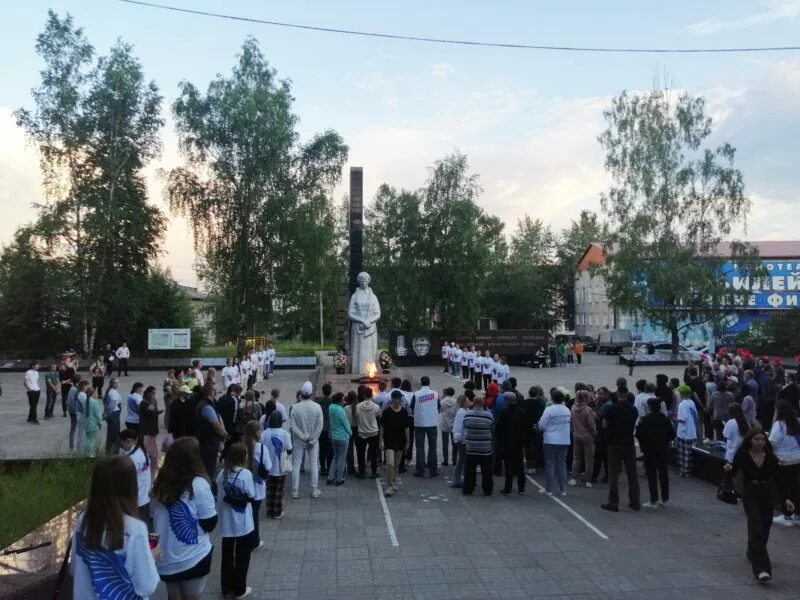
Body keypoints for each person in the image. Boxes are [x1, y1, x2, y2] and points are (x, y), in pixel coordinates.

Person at [70, 456, 159, 600]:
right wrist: (151, 557)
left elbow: (75, 568)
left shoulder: (83, 521)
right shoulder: (135, 530)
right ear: (130, 487)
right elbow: (146, 586)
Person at [724, 428, 795, 583]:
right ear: (750, 440)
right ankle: (761, 569)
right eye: (757, 439)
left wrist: (786, 499)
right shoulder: (742, 455)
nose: (760, 442)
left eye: (762, 439)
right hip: (750, 493)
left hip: (766, 493)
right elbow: (733, 471)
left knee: (765, 527)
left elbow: (779, 479)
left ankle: (752, 551)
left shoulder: (770, 457)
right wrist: (728, 469)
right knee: (756, 527)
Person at [151, 437, 217, 599]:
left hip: (166, 558)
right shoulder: (199, 485)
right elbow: (209, 523)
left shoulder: (158, 485)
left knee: (173, 596)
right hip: (193, 556)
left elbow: (153, 519)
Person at [216, 442, 255, 599]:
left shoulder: (221, 475)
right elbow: (251, 495)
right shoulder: (245, 475)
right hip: (243, 522)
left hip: (226, 521)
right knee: (242, 556)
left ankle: (226, 587)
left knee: (226, 555)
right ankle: (240, 588)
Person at [601, 383, 641, 512]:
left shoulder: (611, 409)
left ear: (618, 395)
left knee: (613, 474)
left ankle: (613, 502)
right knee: (632, 474)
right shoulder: (633, 409)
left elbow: (605, 424)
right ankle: (635, 501)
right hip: (629, 443)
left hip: (614, 443)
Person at [636, 397, 675, 508]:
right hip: (662, 450)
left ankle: (654, 499)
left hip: (649, 451)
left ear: (649, 407)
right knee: (663, 474)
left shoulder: (645, 420)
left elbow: (639, 434)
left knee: (651, 475)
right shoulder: (665, 419)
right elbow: (672, 435)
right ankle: (665, 498)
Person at [289, 381, 324, 499]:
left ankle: (295, 490)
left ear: (301, 394)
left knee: (296, 465)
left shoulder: (295, 408)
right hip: (313, 440)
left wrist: (303, 436)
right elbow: (320, 425)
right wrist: (313, 438)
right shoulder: (317, 407)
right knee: (314, 464)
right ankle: (314, 489)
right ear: (311, 393)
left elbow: (293, 426)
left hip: (299, 440)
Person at [768, 400, 800, 526]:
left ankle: (786, 515)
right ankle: (797, 514)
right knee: (795, 487)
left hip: (783, 460)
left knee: (783, 488)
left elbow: (773, 442)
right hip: (797, 459)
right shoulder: (796, 423)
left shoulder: (780, 425)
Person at [496, 391, 532, 495]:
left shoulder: (504, 412)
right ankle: (521, 488)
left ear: (507, 401)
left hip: (507, 443)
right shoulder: (522, 411)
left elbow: (499, 429)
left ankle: (508, 488)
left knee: (508, 465)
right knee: (520, 465)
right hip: (519, 443)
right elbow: (526, 427)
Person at [538, 389, 571, 496]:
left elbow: (542, 424)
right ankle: (563, 489)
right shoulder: (567, 410)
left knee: (550, 464)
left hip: (550, 440)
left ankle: (549, 489)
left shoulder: (549, 410)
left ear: (552, 398)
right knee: (562, 465)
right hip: (564, 440)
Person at [243, 421, 269, 549]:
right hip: (258, 487)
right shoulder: (262, 448)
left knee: (247, 513)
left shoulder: (241, 447)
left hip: (243, 487)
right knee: (254, 515)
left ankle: (246, 537)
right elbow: (268, 466)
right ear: (257, 432)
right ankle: (254, 541)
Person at [262, 411, 292, 518]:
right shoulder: (284, 434)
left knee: (269, 490)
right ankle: (277, 511)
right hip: (280, 466)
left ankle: (269, 510)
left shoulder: (265, 433)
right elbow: (289, 449)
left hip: (267, 466)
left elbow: (261, 447)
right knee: (279, 491)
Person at [462, 396, 495, 496]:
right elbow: (492, 428)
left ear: (473, 403)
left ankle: (468, 489)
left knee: (470, 471)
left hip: (471, 448)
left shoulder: (468, 415)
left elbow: (465, 426)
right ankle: (487, 490)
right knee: (487, 471)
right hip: (485, 448)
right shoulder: (488, 415)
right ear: (483, 403)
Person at [380, 390, 410, 496]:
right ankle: (389, 485)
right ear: (393, 399)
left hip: (400, 441)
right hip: (389, 441)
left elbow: (406, 428)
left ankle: (393, 479)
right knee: (390, 463)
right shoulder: (387, 412)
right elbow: (382, 427)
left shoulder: (404, 412)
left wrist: (408, 441)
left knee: (396, 465)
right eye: (397, 398)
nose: (399, 400)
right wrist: (381, 441)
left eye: (400, 398)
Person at [119, 428, 152, 523]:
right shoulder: (141, 451)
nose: (121, 447)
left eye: (121, 444)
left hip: (135, 501)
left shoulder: (133, 459)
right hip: (144, 498)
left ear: (128, 441)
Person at [194, 390, 227, 485]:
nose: (216, 392)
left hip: (205, 440)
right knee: (209, 466)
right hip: (209, 441)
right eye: (215, 390)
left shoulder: (203, 404)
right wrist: (224, 434)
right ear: (211, 393)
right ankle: (207, 485)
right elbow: (216, 424)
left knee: (206, 465)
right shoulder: (207, 407)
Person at [411, 376, 440, 478]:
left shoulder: (416, 394)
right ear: (429, 383)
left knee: (420, 447)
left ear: (421, 383)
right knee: (433, 448)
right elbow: (438, 407)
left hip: (419, 424)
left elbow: (412, 408)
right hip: (432, 423)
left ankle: (420, 470)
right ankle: (433, 471)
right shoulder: (435, 394)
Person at [569, 390, 596, 488]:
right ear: (585, 398)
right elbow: (591, 425)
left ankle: (573, 478)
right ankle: (587, 480)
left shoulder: (573, 407)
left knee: (576, 458)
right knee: (589, 459)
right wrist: (595, 433)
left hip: (577, 435)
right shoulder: (588, 410)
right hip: (587, 436)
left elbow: (571, 422)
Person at [355, 386, 381, 479]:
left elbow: (357, 417)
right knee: (374, 453)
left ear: (364, 395)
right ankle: (374, 472)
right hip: (373, 432)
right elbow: (378, 416)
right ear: (371, 395)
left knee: (361, 453)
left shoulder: (358, 406)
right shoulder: (376, 406)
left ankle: (362, 472)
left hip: (362, 432)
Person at [327, 392, 351, 486]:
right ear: (339, 401)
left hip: (334, 436)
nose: (344, 401)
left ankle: (330, 477)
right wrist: (350, 432)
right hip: (343, 437)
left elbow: (331, 422)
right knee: (342, 458)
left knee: (335, 457)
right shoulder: (341, 411)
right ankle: (339, 479)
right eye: (343, 400)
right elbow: (345, 423)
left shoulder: (331, 408)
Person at [676, 385, 700, 478]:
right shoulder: (691, 402)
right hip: (691, 431)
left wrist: (675, 418)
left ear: (681, 394)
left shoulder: (682, 404)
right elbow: (695, 416)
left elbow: (682, 419)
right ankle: (688, 471)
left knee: (682, 452)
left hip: (683, 431)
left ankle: (683, 471)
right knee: (688, 452)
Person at [139, 386, 161, 481]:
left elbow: (154, 411)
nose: (153, 395)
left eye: (154, 394)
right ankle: (145, 466)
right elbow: (151, 411)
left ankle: (153, 465)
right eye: (152, 393)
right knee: (147, 448)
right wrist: (156, 411)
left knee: (153, 450)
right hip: (146, 429)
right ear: (147, 393)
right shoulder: (143, 403)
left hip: (153, 429)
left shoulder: (153, 401)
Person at [315, 382, 334, 477]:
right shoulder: (332, 402)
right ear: (330, 391)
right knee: (330, 449)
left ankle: (322, 468)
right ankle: (329, 468)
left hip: (320, 428)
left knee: (322, 449)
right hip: (330, 428)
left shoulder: (317, 402)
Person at [438, 387, 458, 467]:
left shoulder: (442, 402)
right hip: (453, 424)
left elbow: (440, 411)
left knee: (445, 443)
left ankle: (445, 460)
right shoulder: (456, 402)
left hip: (444, 424)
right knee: (455, 443)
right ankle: (454, 460)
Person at [83, 387, 103, 457]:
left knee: (88, 439)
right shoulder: (94, 402)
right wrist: (100, 423)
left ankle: (86, 453)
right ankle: (90, 454)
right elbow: (97, 415)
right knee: (92, 440)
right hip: (93, 424)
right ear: (93, 393)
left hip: (86, 423)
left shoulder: (85, 401)